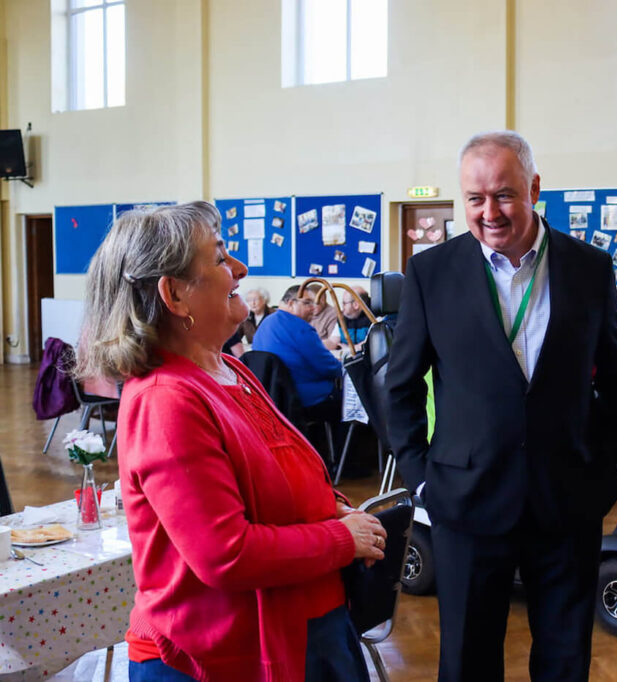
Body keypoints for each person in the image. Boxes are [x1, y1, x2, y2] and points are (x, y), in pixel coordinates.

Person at [74, 202, 386, 681]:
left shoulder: (230, 369)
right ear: (174, 295)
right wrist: (341, 538)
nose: (240, 269)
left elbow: (281, 477)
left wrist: (334, 509)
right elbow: (226, 553)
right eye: (220, 259)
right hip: (217, 658)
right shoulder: (166, 400)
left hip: (298, 629)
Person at [387, 130, 617, 681]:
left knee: (565, 656)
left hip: (567, 499)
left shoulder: (589, 268)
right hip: (465, 503)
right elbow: (399, 386)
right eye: (474, 199)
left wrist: (610, 468)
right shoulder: (431, 273)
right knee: (467, 659)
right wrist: (420, 478)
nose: (489, 212)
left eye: (504, 194)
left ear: (535, 189)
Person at [253, 285, 347, 465]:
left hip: (272, 400)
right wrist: (342, 366)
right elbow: (328, 368)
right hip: (303, 399)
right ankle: (343, 464)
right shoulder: (300, 327)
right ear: (290, 303)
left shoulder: (266, 323)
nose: (313, 308)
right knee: (347, 405)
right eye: (307, 303)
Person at [328, 286, 373, 353]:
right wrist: (317, 345)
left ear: (356, 305)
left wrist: (347, 349)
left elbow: (369, 344)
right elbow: (333, 341)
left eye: (344, 303)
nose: (342, 307)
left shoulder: (374, 318)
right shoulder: (343, 317)